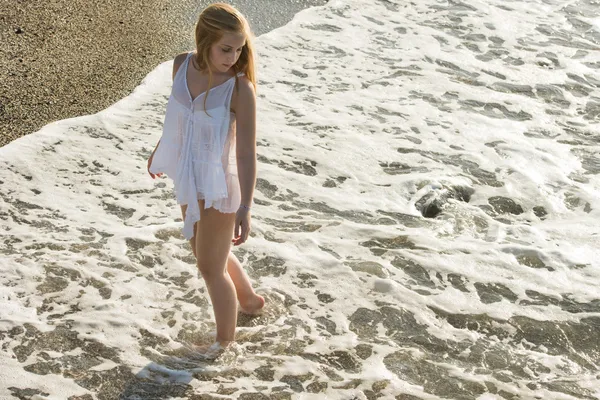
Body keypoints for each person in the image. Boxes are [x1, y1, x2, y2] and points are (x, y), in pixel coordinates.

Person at [146, 3, 265, 357]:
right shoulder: (181, 65)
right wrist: (159, 151)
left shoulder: (240, 90)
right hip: (187, 175)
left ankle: (223, 345)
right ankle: (249, 300)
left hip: (220, 185)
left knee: (209, 268)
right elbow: (176, 118)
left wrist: (245, 206)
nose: (233, 57)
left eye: (239, 49)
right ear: (204, 41)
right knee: (205, 253)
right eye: (225, 49)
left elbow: (245, 153)